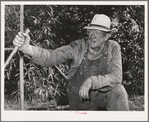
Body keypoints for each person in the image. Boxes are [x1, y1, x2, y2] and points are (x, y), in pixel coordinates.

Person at [13, 14, 129, 111]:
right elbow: (52, 56)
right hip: (80, 97)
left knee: (119, 91)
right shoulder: (77, 47)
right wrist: (28, 49)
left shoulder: (113, 47)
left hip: (103, 94)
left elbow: (116, 76)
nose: (92, 35)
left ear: (106, 36)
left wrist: (91, 81)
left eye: (98, 32)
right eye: (91, 31)